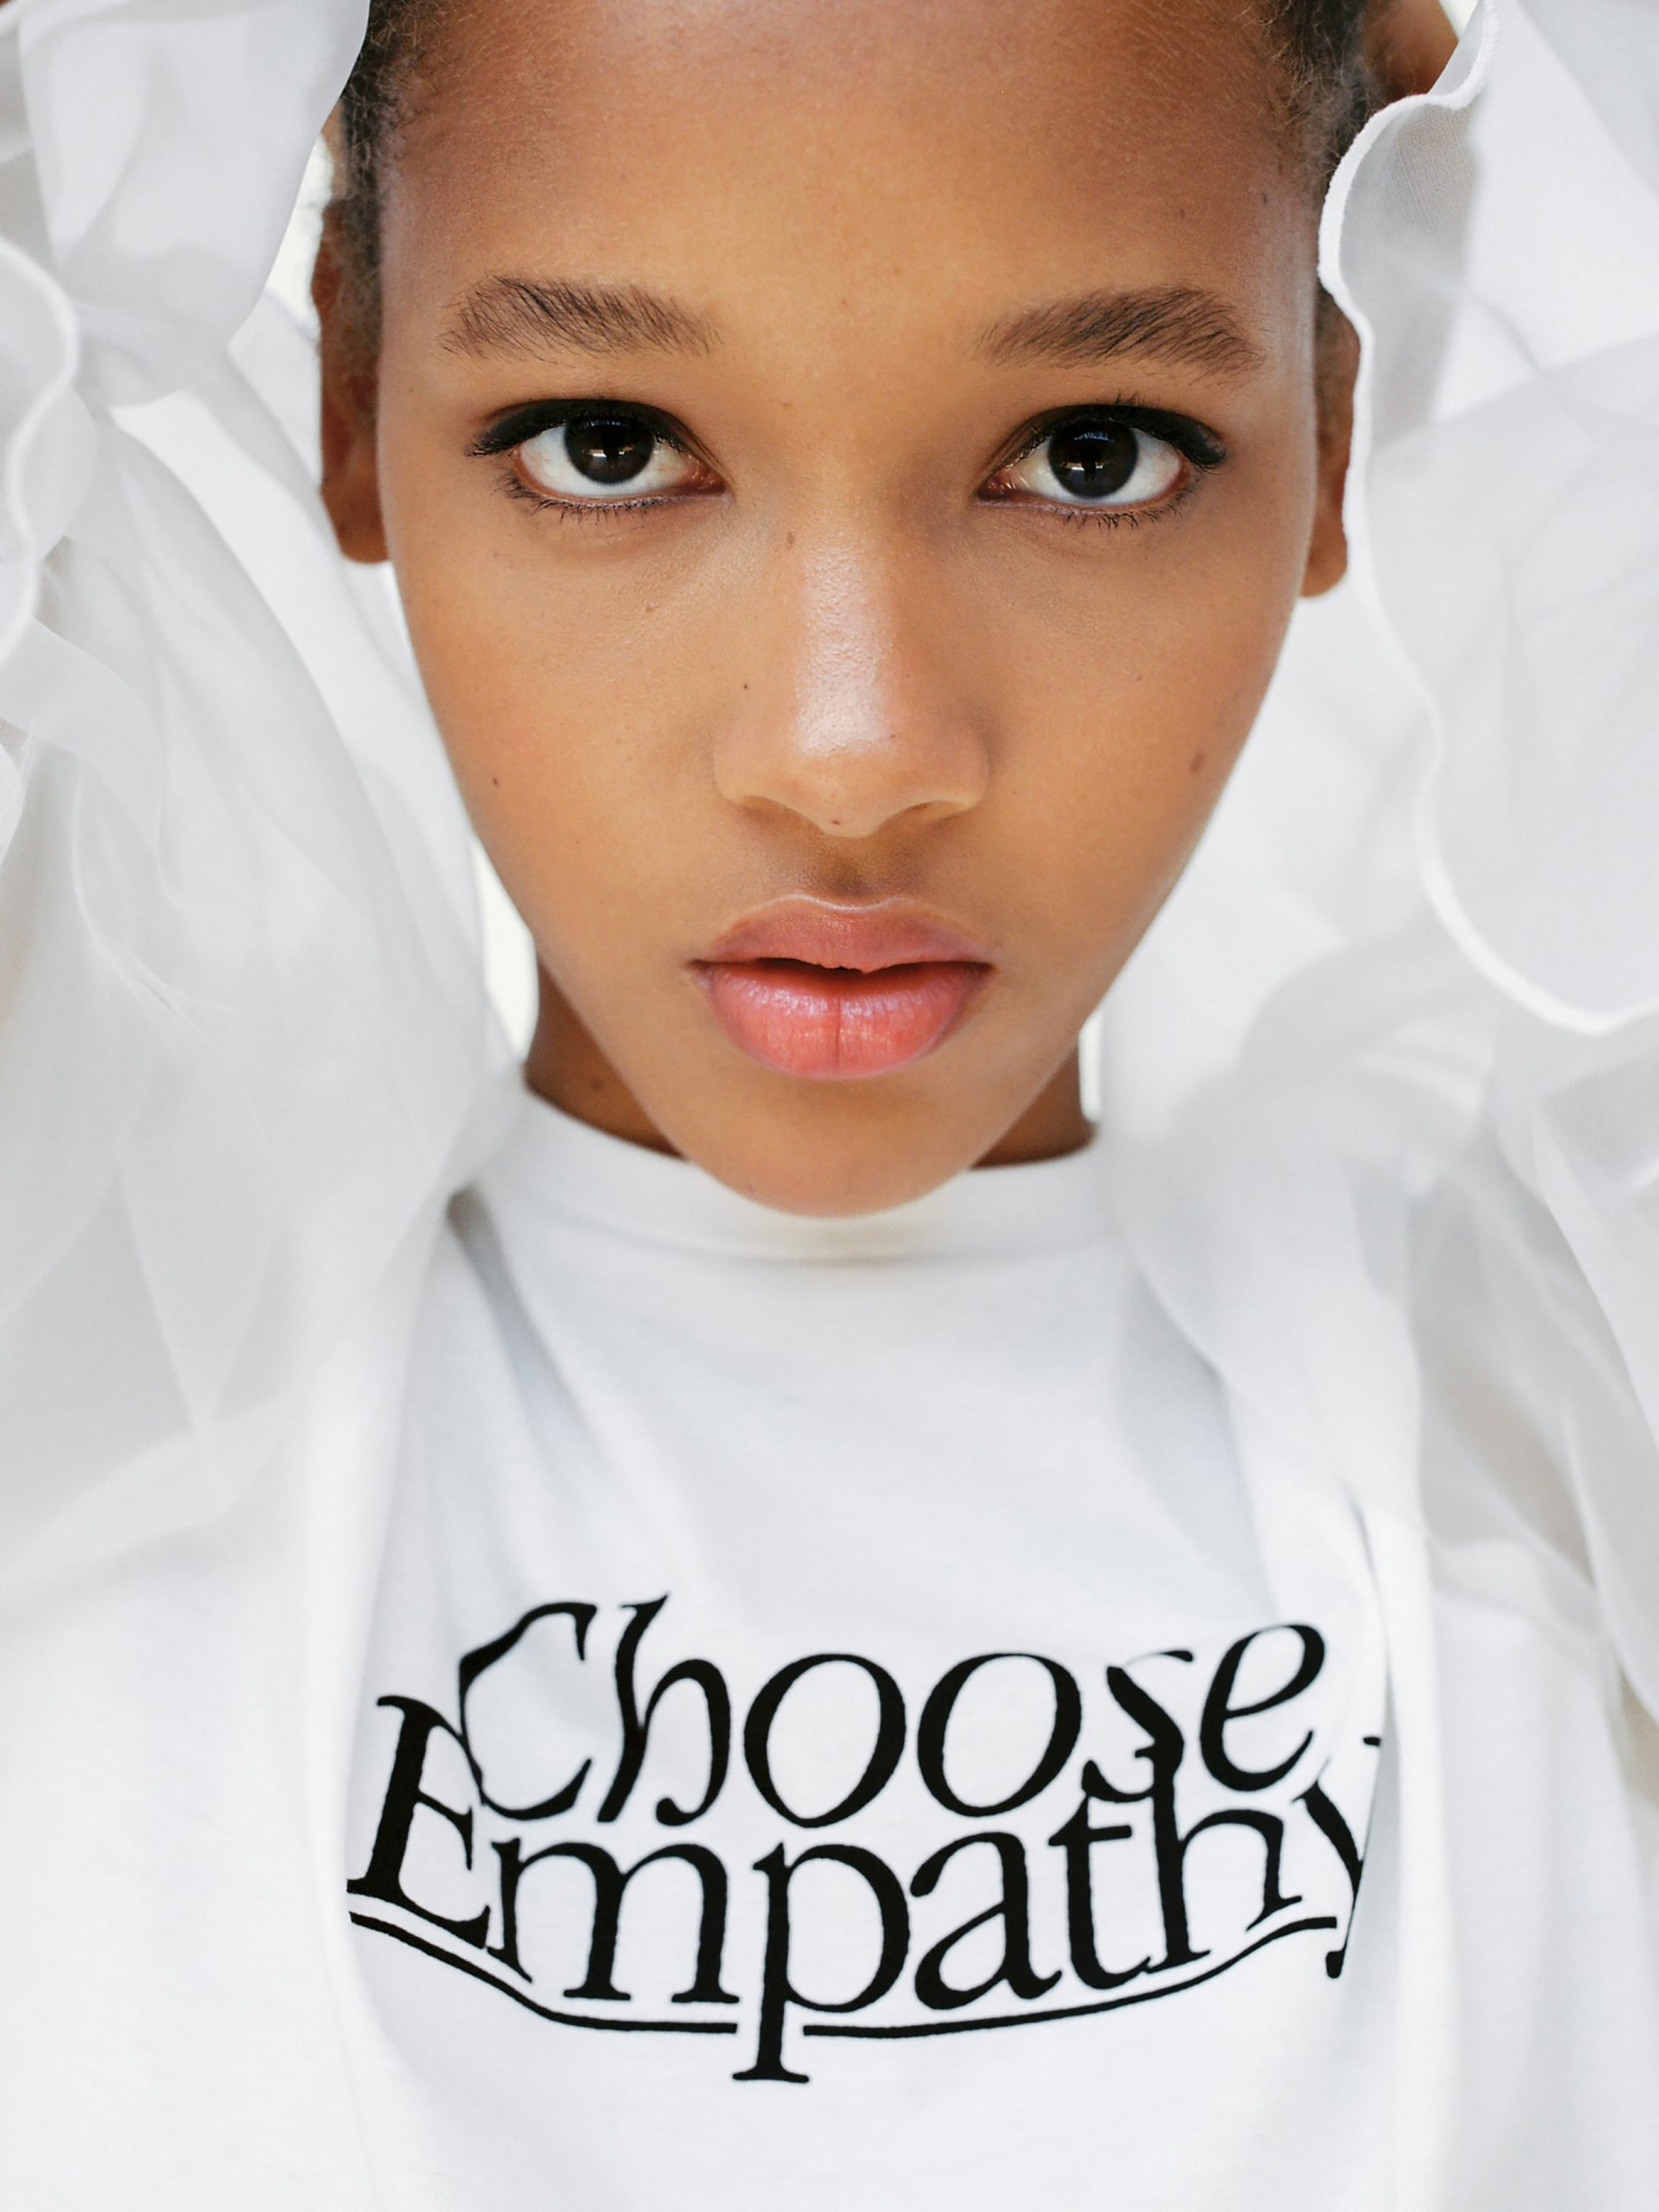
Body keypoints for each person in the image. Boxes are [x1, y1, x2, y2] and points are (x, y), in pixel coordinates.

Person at [0, 0, 1655, 2204]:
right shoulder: (71, 1371)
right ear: (349, 389)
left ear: (1336, 424)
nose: (851, 751)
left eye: (1092, 453)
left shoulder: (1569, 1438)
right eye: (607, 443)